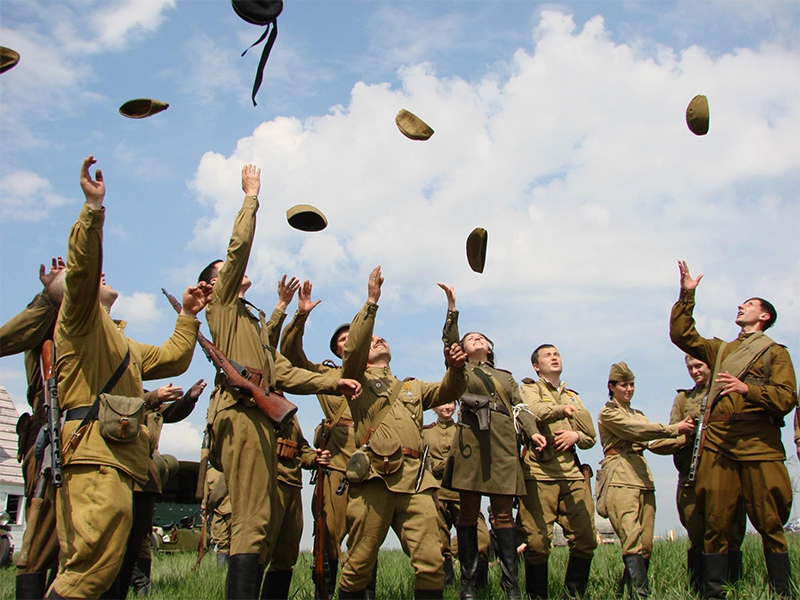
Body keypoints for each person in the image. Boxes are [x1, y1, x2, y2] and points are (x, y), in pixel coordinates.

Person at [47, 155, 211, 599]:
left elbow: (175, 358)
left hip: (120, 463)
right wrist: (93, 210)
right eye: (93, 276)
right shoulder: (79, 322)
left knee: (108, 572)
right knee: (87, 572)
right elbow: (81, 271)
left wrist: (189, 315)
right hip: (95, 458)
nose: (102, 275)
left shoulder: (119, 341)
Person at [198, 164, 362, 599]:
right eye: (224, 273)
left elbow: (281, 371)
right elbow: (236, 253)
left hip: (262, 417)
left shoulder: (248, 320)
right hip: (242, 411)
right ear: (213, 285)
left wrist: (333, 384)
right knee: (252, 521)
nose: (233, 273)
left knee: (275, 528)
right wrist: (251, 198)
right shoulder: (223, 306)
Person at [336, 267, 469, 600]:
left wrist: (455, 368)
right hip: (373, 479)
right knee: (359, 563)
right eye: (373, 340)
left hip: (415, 481)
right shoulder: (354, 380)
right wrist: (371, 301)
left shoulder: (411, 387)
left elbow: (449, 391)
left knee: (431, 562)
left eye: (383, 337)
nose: (379, 339)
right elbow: (353, 349)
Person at [670, 261, 797, 599]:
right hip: (719, 444)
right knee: (715, 522)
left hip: (759, 443)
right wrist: (687, 294)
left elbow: (786, 397)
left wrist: (748, 390)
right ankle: (714, 593)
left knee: (770, 523)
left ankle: (780, 592)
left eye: (750, 304)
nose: (741, 307)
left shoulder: (775, 354)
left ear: (764, 316)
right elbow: (683, 335)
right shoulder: (721, 350)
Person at [437, 283, 544, 600]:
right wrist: (452, 306)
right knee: (468, 514)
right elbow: (449, 342)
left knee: (502, 516)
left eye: (481, 337)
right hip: (471, 437)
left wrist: (532, 430)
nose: (477, 339)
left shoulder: (506, 376)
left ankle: (511, 587)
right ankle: (468, 585)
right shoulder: (459, 368)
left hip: (501, 441)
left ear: (490, 347)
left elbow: (520, 406)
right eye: (471, 338)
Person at [648, 355, 746, 594]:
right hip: (692, 475)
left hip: (725, 473)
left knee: (730, 532)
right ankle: (698, 589)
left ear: (711, 365)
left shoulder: (728, 393)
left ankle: (733, 588)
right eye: (690, 367)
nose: (694, 371)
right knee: (696, 532)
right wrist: (686, 432)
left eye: (699, 366)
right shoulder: (683, 399)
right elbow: (673, 435)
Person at [596, 362, 694, 599]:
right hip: (619, 478)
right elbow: (637, 432)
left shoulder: (638, 414)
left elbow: (653, 442)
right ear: (612, 387)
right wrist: (674, 428)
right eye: (623, 385)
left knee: (646, 545)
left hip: (643, 479)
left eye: (632, 384)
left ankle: (627, 592)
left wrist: (684, 438)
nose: (629, 389)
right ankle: (642, 595)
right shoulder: (608, 413)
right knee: (631, 540)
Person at [106, 379, 207, 599]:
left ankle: (141, 585)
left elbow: (171, 412)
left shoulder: (145, 396)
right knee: (117, 535)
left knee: (141, 536)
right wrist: (153, 397)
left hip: (146, 475)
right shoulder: (116, 393)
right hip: (120, 472)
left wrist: (190, 397)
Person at [1, 258, 65, 599]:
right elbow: (6, 338)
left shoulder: (101, 327)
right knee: (41, 538)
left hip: (92, 438)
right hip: (51, 431)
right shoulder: (47, 318)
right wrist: (48, 298)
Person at [518, 344, 597, 599]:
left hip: (572, 472)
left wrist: (576, 435)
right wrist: (559, 410)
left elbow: (590, 437)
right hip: (539, 472)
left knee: (586, 539)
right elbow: (534, 411)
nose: (554, 357)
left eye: (557, 354)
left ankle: (572, 596)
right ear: (536, 366)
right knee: (538, 543)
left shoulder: (573, 396)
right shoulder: (529, 388)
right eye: (547, 355)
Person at [421, 403, 492, 589]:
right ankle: (446, 587)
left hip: (463, 492)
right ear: (434, 408)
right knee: (439, 544)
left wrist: (440, 465)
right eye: (442, 403)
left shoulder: (464, 431)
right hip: (436, 494)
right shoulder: (425, 433)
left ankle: (479, 587)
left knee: (482, 539)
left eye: (451, 402)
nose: (447, 406)